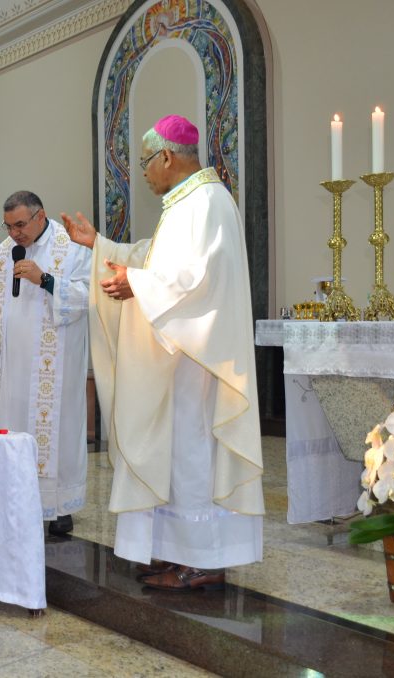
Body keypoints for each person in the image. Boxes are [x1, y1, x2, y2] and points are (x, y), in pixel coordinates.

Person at [62, 114, 264, 591]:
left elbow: (200, 279)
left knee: (193, 453)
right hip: (177, 357)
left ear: (168, 157)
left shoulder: (208, 201)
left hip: (198, 358)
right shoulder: (185, 203)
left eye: (146, 162)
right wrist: (102, 247)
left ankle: (203, 559)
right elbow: (160, 259)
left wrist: (137, 282)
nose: (144, 172)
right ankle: (178, 553)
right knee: (176, 454)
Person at [0, 191, 92, 536]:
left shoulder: (71, 246)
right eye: (8, 225)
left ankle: (58, 507)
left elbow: (89, 296)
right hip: (10, 368)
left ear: (40, 216)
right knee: (13, 429)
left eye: (20, 225)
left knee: (55, 433)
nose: (14, 233)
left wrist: (45, 280)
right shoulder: (1, 253)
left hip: (55, 370)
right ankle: (15, 502)